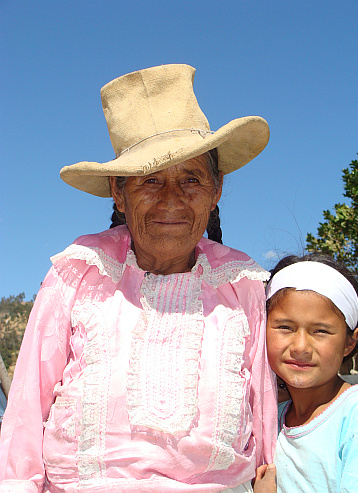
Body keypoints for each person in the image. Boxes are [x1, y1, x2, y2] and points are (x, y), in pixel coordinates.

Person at [0, 64, 277, 493]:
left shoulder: (241, 283)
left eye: (191, 179)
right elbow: (24, 408)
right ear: (119, 191)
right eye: (150, 180)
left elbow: (263, 415)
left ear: (217, 189)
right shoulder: (78, 273)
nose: (172, 199)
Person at [254, 253, 358, 492]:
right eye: (285, 327)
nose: (301, 348)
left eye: (321, 331)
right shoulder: (269, 420)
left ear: (350, 341)